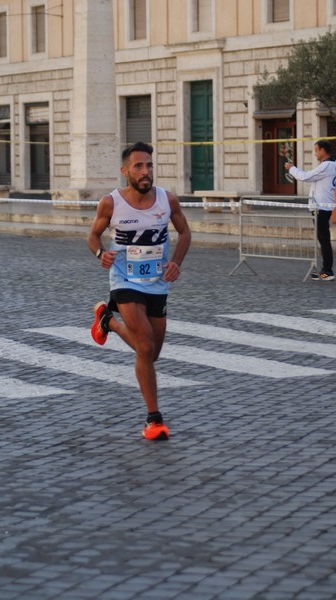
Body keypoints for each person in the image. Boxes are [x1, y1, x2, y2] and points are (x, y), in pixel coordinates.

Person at [87, 141, 191, 440]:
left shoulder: (167, 200)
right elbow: (93, 236)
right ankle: (153, 419)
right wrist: (100, 254)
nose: (145, 172)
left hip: (157, 282)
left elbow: (185, 232)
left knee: (152, 353)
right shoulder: (111, 202)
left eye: (149, 165)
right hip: (124, 280)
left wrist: (176, 262)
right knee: (144, 347)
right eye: (138, 166)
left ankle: (108, 321)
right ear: (125, 171)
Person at [285, 140, 336, 281]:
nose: (315, 153)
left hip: (321, 207)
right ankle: (324, 270)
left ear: (323, 151)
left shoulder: (326, 166)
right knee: (323, 239)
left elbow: (305, 176)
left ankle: (327, 271)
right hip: (323, 205)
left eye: (316, 150)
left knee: (324, 240)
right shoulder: (333, 165)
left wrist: (291, 168)